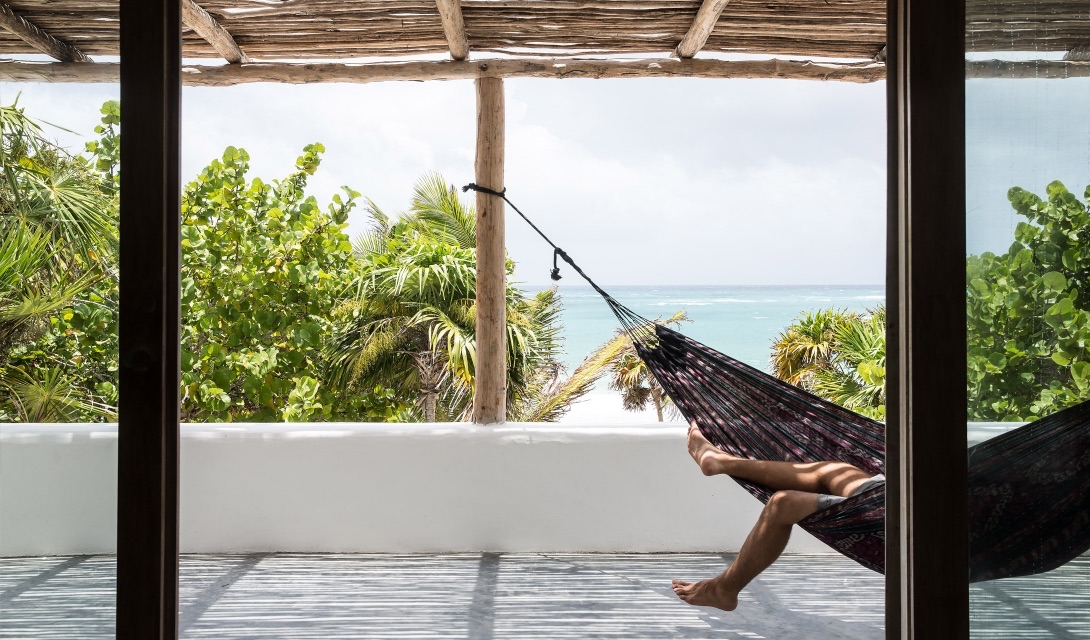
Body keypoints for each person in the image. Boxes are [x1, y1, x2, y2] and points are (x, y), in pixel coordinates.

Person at [672, 421, 884, 612]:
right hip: (888, 495)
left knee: (784, 504)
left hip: (892, 515)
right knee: (834, 471)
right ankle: (722, 462)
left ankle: (724, 589)